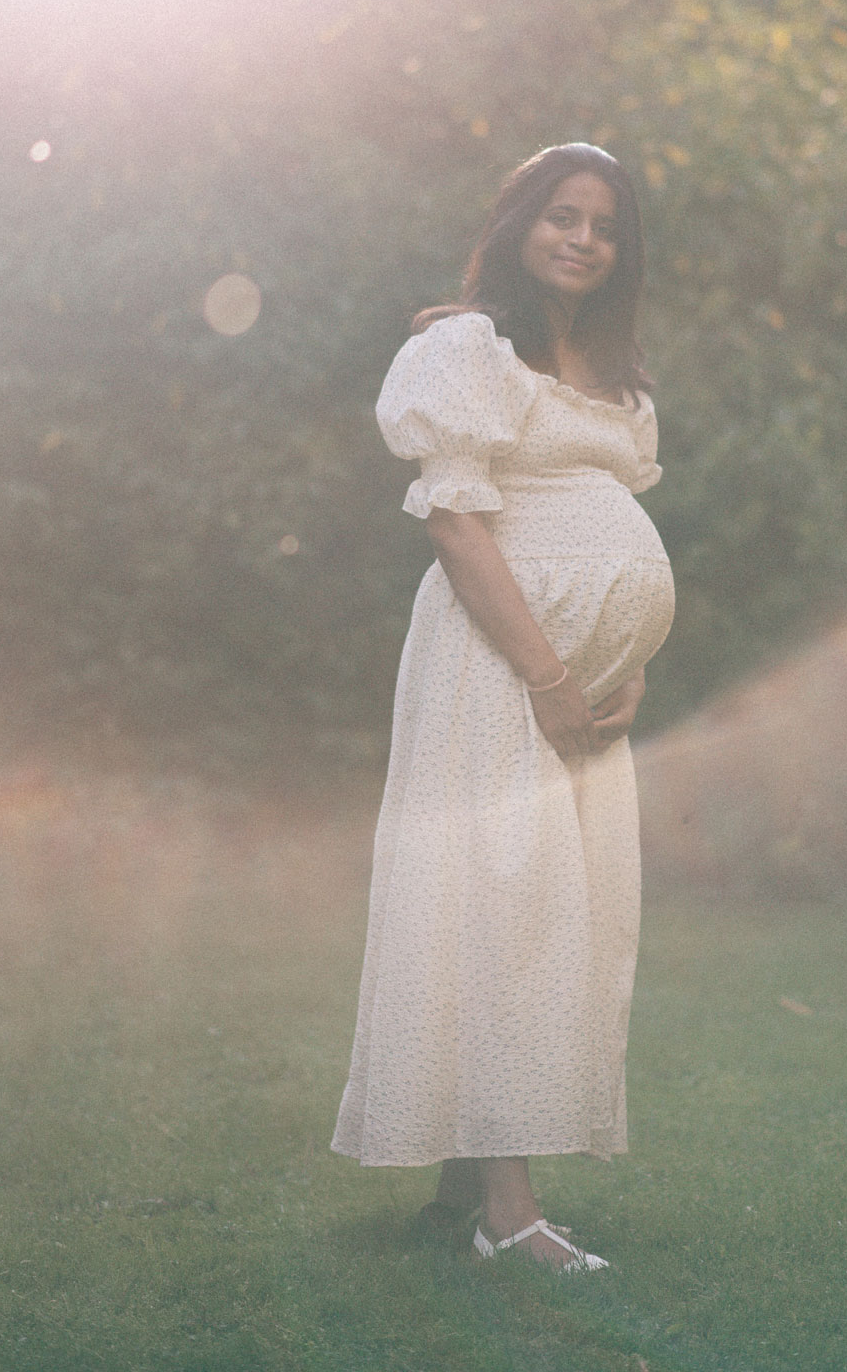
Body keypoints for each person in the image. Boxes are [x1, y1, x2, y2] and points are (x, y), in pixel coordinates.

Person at [331, 143, 675, 1270]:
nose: (582, 238)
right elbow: (455, 520)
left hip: (583, 692)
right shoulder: (464, 348)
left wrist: (624, 663)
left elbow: (606, 525)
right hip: (496, 667)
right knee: (500, 906)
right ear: (520, 222)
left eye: (604, 224)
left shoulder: (614, 376)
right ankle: (506, 1220)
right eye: (561, 215)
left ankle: (461, 1181)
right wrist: (550, 676)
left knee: (555, 909)